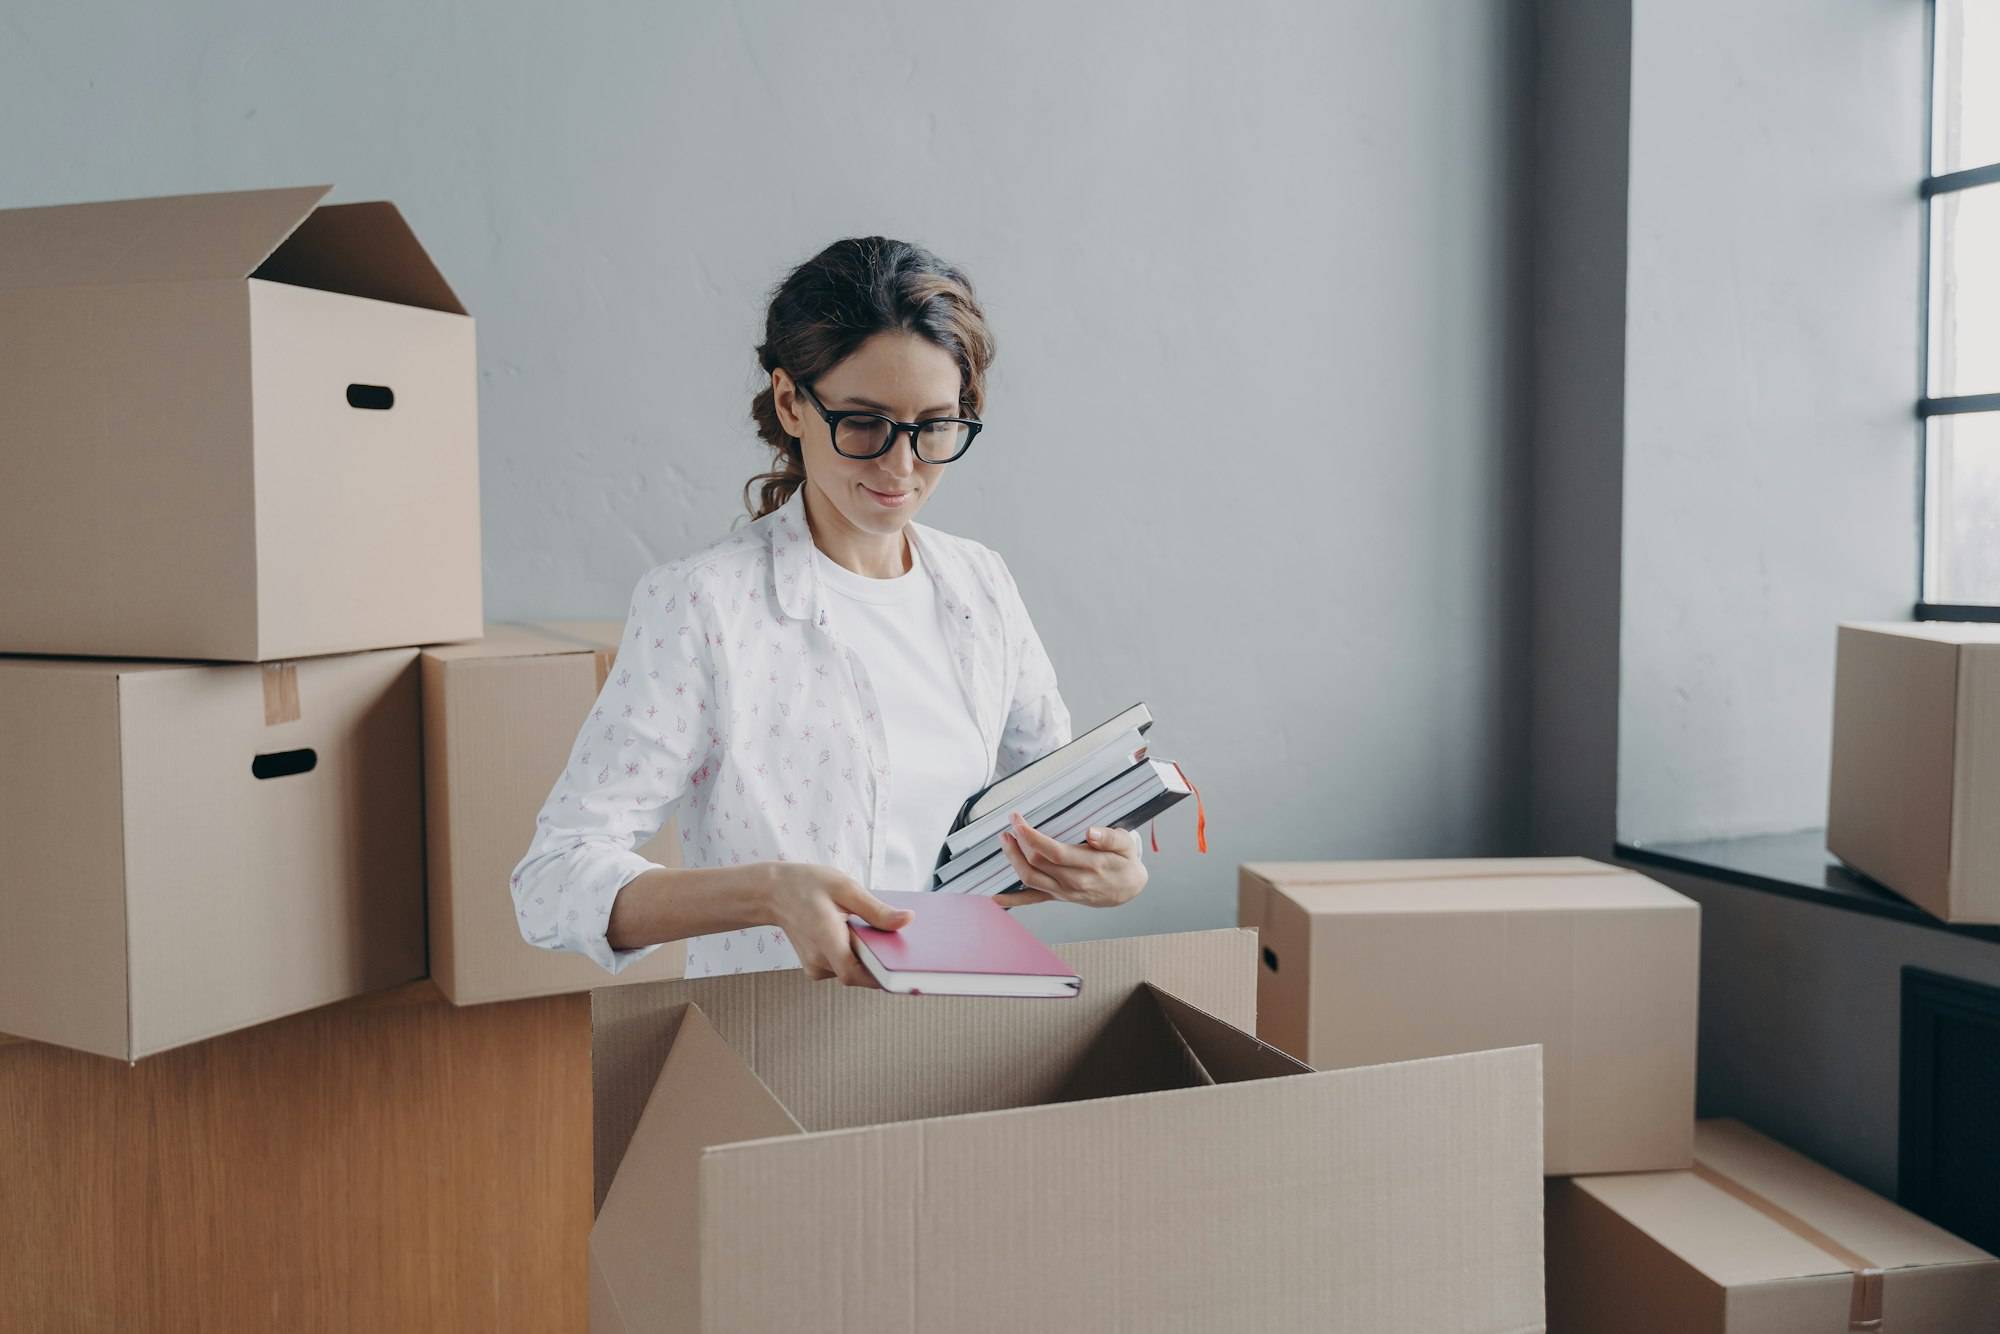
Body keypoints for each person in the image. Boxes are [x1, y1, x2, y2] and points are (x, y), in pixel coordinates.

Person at [510, 237, 1147, 986]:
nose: (901, 466)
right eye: (865, 422)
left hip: (964, 1032)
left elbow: (1045, 828)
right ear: (791, 403)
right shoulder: (705, 606)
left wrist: (1106, 868)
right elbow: (551, 883)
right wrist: (769, 892)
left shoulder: (983, 587)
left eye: (935, 426)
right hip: (781, 1045)